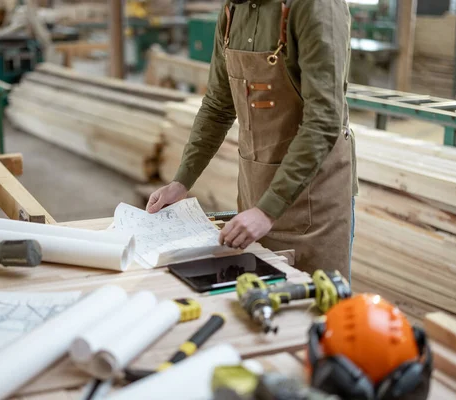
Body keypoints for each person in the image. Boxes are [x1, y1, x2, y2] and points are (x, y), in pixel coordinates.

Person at [147, 0, 357, 278]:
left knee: (315, 305)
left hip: (312, 201)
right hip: (255, 195)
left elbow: (323, 121)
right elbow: (217, 106)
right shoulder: (234, 9)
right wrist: (181, 181)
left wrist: (268, 211)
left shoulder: (315, 6)